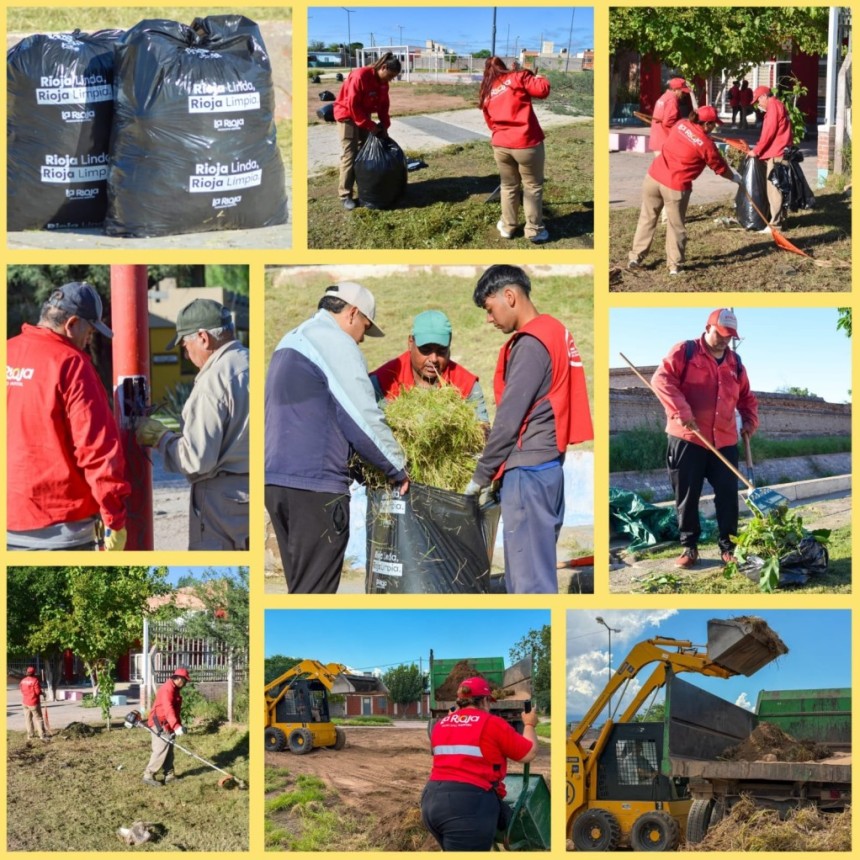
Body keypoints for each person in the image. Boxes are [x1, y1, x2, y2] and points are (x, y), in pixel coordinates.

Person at [265, 282, 409, 594]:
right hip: (315, 490)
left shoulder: (291, 340)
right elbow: (361, 415)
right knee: (315, 596)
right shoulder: (334, 342)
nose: (362, 340)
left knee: (301, 590)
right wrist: (396, 467)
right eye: (364, 329)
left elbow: (315, 416)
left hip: (277, 484)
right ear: (353, 313)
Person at [466, 266, 593, 593]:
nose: (489, 319)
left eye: (489, 309)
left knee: (527, 584)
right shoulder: (556, 331)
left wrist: (481, 476)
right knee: (537, 573)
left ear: (509, 296)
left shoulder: (531, 344)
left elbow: (509, 418)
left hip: (528, 477)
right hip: (550, 469)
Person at [7, 282, 130, 551]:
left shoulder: (8, 352)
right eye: (90, 330)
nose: (90, 340)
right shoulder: (71, 363)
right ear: (72, 324)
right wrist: (114, 519)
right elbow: (97, 450)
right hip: (61, 530)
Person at [134, 299, 249, 551]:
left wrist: (161, 438)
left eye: (185, 346)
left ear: (203, 338)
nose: (187, 354)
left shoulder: (214, 381)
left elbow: (196, 460)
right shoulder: (250, 363)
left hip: (223, 503)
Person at [651, 309, 759, 569]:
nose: (725, 341)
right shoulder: (684, 351)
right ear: (708, 327)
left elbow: (747, 398)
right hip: (688, 438)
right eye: (721, 334)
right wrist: (682, 412)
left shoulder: (736, 363)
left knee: (727, 495)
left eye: (730, 337)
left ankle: (729, 547)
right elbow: (661, 380)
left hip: (724, 440)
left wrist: (749, 421)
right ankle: (689, 547)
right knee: (687, 496)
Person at [421, 677, 538, 852]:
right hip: (468, 807)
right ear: (484, 700)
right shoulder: (491, 723)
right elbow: (528, 753)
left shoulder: (440, 724)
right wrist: (529, 724)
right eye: (489, 701)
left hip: (431, 802)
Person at [628, 106, 742, 276]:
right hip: (674, 186)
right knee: (676, 226)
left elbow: (683, 132)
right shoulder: (707, 144)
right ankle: (674, 266)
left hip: (653, 178)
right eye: (713, 125)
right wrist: (734, 178)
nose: (714, 128)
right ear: (706, 124)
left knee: (647, 218)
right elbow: (719, 167)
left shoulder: (681, 124)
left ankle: (635, 258)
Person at [370, 309, 489, 423]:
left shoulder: (466, 385)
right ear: (410, 343)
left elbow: (483, 430)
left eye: (441, 351)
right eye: (425, 350)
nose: (433, 359)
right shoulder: (382, 382)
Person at [479, 56, 551, 243]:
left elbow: (490, 123)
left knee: (508, 186)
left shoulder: (487, 91)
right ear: (504, 68)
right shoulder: (518, 77)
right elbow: (542, 90)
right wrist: (540, 77)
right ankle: (534, 230)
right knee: (532, 186)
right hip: (526, 143)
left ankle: (508, 226)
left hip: (501, 145)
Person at [333, 52, 401, 210]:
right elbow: (353, 105)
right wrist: (370, 125)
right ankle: (345, 195)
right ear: (383, 67)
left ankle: (365, 188)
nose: (389, 80)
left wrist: (384, 125)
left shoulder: (384, 84)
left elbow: (384, 106)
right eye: (390, 76)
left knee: (365, 152)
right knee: (350, 154)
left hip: (364, 115)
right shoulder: (360, 76)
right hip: (347, 115)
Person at [749, 86, 794, 229]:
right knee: (782, 187)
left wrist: (756, 150)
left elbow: (768, 132)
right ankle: (782, 220)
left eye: (758, 101)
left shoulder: (773, 107)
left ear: (764, 96)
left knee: (774, 189)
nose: (758, 104)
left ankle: (775, 224)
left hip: (777, 153)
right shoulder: (779, 105)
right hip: (783, 152)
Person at [143, 667, 191, 787]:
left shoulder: (175, 690)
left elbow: (175, 711)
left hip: (168, 723)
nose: (185, 684)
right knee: (160, 748)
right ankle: (148, 775)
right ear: (179, 679)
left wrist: (178, 725)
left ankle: (169, 775)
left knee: (169, 749)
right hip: (159, 723)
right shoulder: (167, 689)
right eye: (184, 681)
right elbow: (168, 708)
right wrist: (176, 726)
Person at [649, 77, 689, 156]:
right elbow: (669, 122)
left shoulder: (664, 97)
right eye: (682, 91)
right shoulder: (672, 100)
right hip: (665, 141)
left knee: (661, 166)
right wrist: (683, 126)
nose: (684, 94)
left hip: (658, 139)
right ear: (675, 90)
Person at [20, 666, 49, 742]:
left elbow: (22, 690)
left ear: (27, 672)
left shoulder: (23, 681)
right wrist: (43, 693)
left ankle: (30, 735)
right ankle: (42, 735)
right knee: (39, 719)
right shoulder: (35, 680)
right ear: (34, 673)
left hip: (25, 702)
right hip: (33, 703)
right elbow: (37, 692)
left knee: (28, 719)